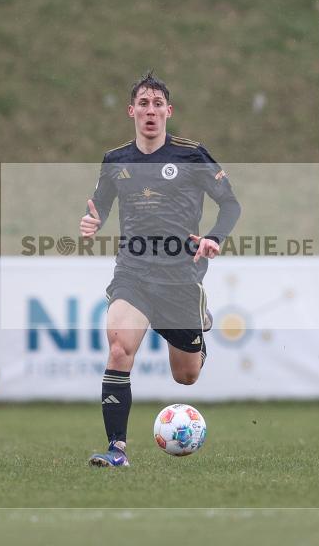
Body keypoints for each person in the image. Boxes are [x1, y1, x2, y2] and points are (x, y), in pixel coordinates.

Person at [81, 71, 241, 466]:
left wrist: (214, 238)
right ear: (131, 111)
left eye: (157, 104)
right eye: (143, 104)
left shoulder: (191, 154)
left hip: (180, 276)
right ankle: (117, 449)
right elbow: (100, 204)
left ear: (168, 111)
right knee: (119, 348)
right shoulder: (115, 161)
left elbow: (231, 204)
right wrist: (93, 221)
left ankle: (197, 338)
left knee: (185, 377)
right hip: (133, 272)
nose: (150, 111)